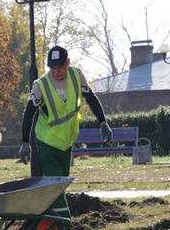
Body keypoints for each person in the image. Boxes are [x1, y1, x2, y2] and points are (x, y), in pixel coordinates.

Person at [20, 45, 112, 220]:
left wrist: (103, 122)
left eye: (60, 67)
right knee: (55, 184)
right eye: (52, 68)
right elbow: (29, 113)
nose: (56, 72)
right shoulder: (41, 85)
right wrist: (25, 143)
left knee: (60, 184)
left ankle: (47, 216)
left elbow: (91, 98)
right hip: (46, 140)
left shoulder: (77, 76)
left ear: (68, 63)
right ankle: (63, 225)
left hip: (67, 141)